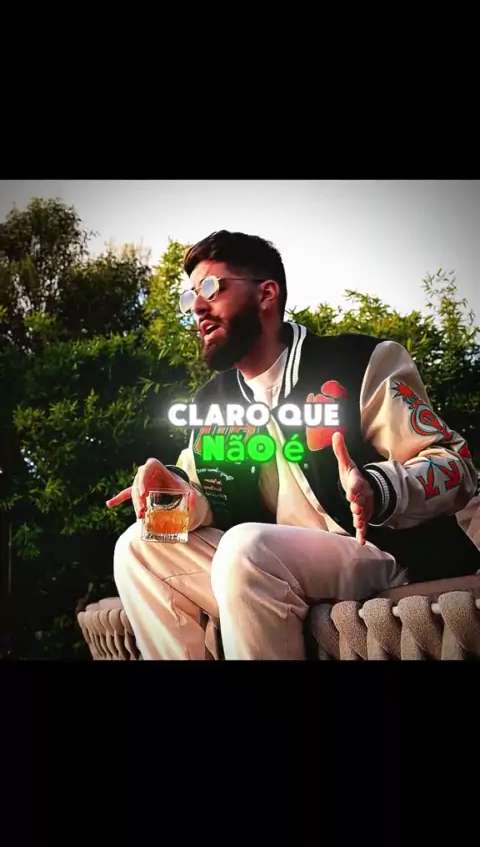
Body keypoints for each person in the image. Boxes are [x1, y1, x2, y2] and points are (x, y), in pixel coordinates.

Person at [107, 231, 480, 660]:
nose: (196, 307)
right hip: (264, 567)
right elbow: (204, 500)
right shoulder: (213, 401)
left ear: (266, 294)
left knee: (246, 548)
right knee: (140, 544)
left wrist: (378, 489)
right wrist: (169, 494)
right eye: (190, 296)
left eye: (211, 287)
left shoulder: (359, 361)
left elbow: (455, 465)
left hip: (378, 553)